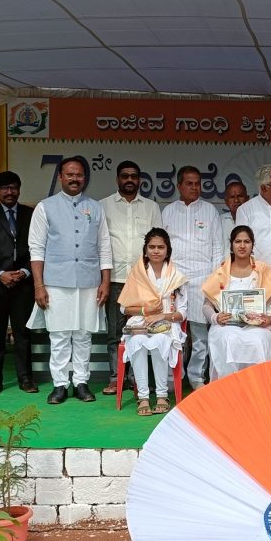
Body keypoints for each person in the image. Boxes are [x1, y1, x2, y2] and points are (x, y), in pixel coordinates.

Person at [28, 156, 113, 405]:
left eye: (79, 175)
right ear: (60, 177)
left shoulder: (96, 208)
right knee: (60, 335)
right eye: (70, 175)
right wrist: (39, 285)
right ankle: (60, 384)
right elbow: (36, 249)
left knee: (84, 334)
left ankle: (82, 382)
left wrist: (105, 282)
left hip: (89, 282)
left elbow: (104, 247)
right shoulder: (45, 207)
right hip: (55, 282)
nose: (75, 179)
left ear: (85, 178)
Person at [99, 160, 162, 395]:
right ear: (117, 179)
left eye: (133, 176)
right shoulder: (103, 206)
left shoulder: (151, 207)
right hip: (115, 278)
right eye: (124, 176)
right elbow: (100, 243)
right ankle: (116, 377)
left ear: (139, 180)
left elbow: (158, 244)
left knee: (141, 330)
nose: (129, 180)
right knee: (115, 332)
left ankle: (138, 379)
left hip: (142, 280)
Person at [0, 170, 39, 395]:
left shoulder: (31, 214)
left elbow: (38, 249)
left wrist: (24, 271)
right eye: (4, 188)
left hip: (23, 282)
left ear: (19, 189)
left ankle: (25, 378)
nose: (9, 192)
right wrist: (0, 274)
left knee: (23, 333)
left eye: (13, 188)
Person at [162, 165, 224, 390]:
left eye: (197, 183)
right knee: (173, 330)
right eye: (189, 183)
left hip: (202, 278)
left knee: (199, 333)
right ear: (179, 185)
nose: (194, 187)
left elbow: (218, 247)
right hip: (175, 279)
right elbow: (162, 248)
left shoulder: (210, 211)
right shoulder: (168, 211)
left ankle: (196, 376)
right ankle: (171, 377)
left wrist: (214, 280)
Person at [117, 228, 187, 417]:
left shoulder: (176, 276)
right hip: (140, 322)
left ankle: (163, 395)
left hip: (167, 323)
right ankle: (144, 397)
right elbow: (124, 308)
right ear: (145, 250)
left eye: (160, 247)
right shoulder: (138, 273)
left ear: (167, 250)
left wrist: (162, 316)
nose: (156, 251)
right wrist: (144, 311)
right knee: (138, 342)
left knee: (160, 341)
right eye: (152, 247)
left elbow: (182, 312)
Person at [201, 225, 271, 380]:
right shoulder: (221, 272)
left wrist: (270, 318)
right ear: (231, 245)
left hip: (257, 325)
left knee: (259, 340)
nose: (242, 245)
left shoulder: (263, 271)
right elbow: (206, 306)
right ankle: (230, 390)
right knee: (229, 339)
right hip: (226, 325)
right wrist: (215, 318)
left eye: (246, 241)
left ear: (252, 245)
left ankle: (258, 391)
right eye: (238, 241)